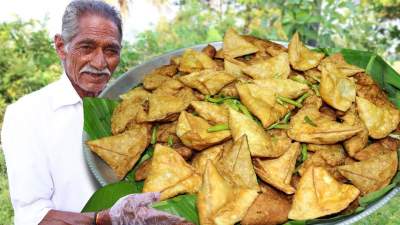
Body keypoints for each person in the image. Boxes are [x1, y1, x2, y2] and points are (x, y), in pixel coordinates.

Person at [1, 1, 193, 224]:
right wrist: (103, 218)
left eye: (111, 50)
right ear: (61, 46)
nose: (100, 62)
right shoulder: (27, 115)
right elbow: (33, 217)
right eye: (87, 47)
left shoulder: (134, 106)